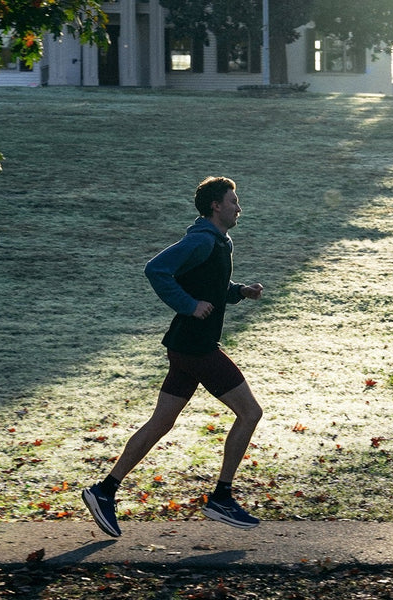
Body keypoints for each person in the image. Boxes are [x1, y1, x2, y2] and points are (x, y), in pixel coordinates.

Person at [82, 176, 265, 537]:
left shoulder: (217, 241)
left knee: (161, 422)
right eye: (233, 201)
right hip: (196, 347)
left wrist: (239, 291)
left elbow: (207, 285)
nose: (238, 207)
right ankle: (221, 497)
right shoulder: (200, 240)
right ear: (216, 205)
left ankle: (104, 491)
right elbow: (156, 270)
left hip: (186, 345)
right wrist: (188, 305)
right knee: (250, 412)